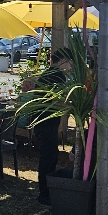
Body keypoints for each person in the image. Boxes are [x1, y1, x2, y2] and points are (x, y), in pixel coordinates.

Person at [21, 48, 69, 205]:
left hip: (43, 120)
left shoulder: (49, 73)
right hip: (46, 121)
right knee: (48, 158)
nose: (71, 67)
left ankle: (47, 190)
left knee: (50, 156)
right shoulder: (57, 75)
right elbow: (58, 101)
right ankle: (45, 193)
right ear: (63, 61)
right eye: (70, 63)